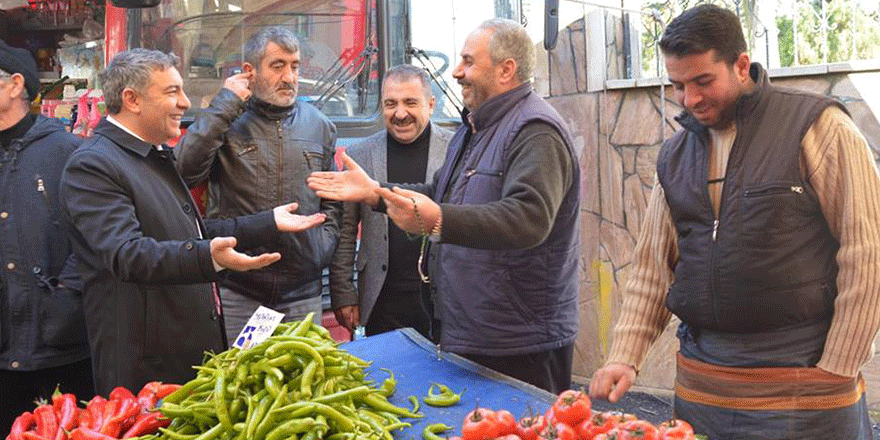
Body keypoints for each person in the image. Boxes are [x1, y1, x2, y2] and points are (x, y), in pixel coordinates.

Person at [588, 5, 880, 439]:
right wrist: (624, 357)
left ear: (741, 65)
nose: (690, 100)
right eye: (678, 85)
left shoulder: (818, 127)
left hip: (807, 391)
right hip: (701, 392)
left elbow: (867, 250)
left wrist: (837, 366)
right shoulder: (674, 156)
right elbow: (652, 267)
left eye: (703, 81)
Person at [309, 18, 580, 393]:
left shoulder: (535, 130)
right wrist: (375, 193)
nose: (456, 72)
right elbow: (439, 192)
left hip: (518, 341)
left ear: (506, 70)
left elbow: (529, 219)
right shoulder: (476, 129)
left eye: (468, 62)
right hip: (472, 331)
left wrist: (437, 221)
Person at [59, 48, 326, 395]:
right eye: (172, 92)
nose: (185, 103)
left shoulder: (151, 154)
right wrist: (209, 257)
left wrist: (267, 223)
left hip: (182, 357)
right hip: (146, 371)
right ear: (131, 100)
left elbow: (191, 232)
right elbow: (128, 254)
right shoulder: (94, 166)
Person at [176, 26, 341, 342]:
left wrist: (322, 247)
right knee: (241, 382)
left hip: (303, 292)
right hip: (240, 289)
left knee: (304, 384)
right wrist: (225, 104)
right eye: (278, 66)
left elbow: (333, 201)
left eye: (295, 66)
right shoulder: (226, 119)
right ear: (249, 72)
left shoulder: (319, 124)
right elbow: (183, 172)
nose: (290, 77)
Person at [0, 40, 93, 433]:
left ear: (14, 84)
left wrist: (63, 300)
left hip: (57, 344)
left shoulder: (67, 151)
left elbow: (91, 238)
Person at [329, 65, 452, 341]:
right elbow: (345, 231)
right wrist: (343, 292)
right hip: (382, 297)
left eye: (410, 102)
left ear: (430, 105)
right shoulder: (359, 154)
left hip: (441, 298)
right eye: (390, 104)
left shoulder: (454, 150)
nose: (400, 113)